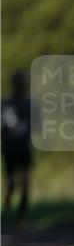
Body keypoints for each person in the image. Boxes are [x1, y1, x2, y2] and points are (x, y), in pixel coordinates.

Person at [2, 70, 34, 221]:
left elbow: (38, 127)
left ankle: (22, 213)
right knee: (11, 182)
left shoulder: (30, 104)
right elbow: (3, 128)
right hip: (10, 148)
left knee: (26, 181)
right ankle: (8, 200)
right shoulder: (6, 104)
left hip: (25, 147)